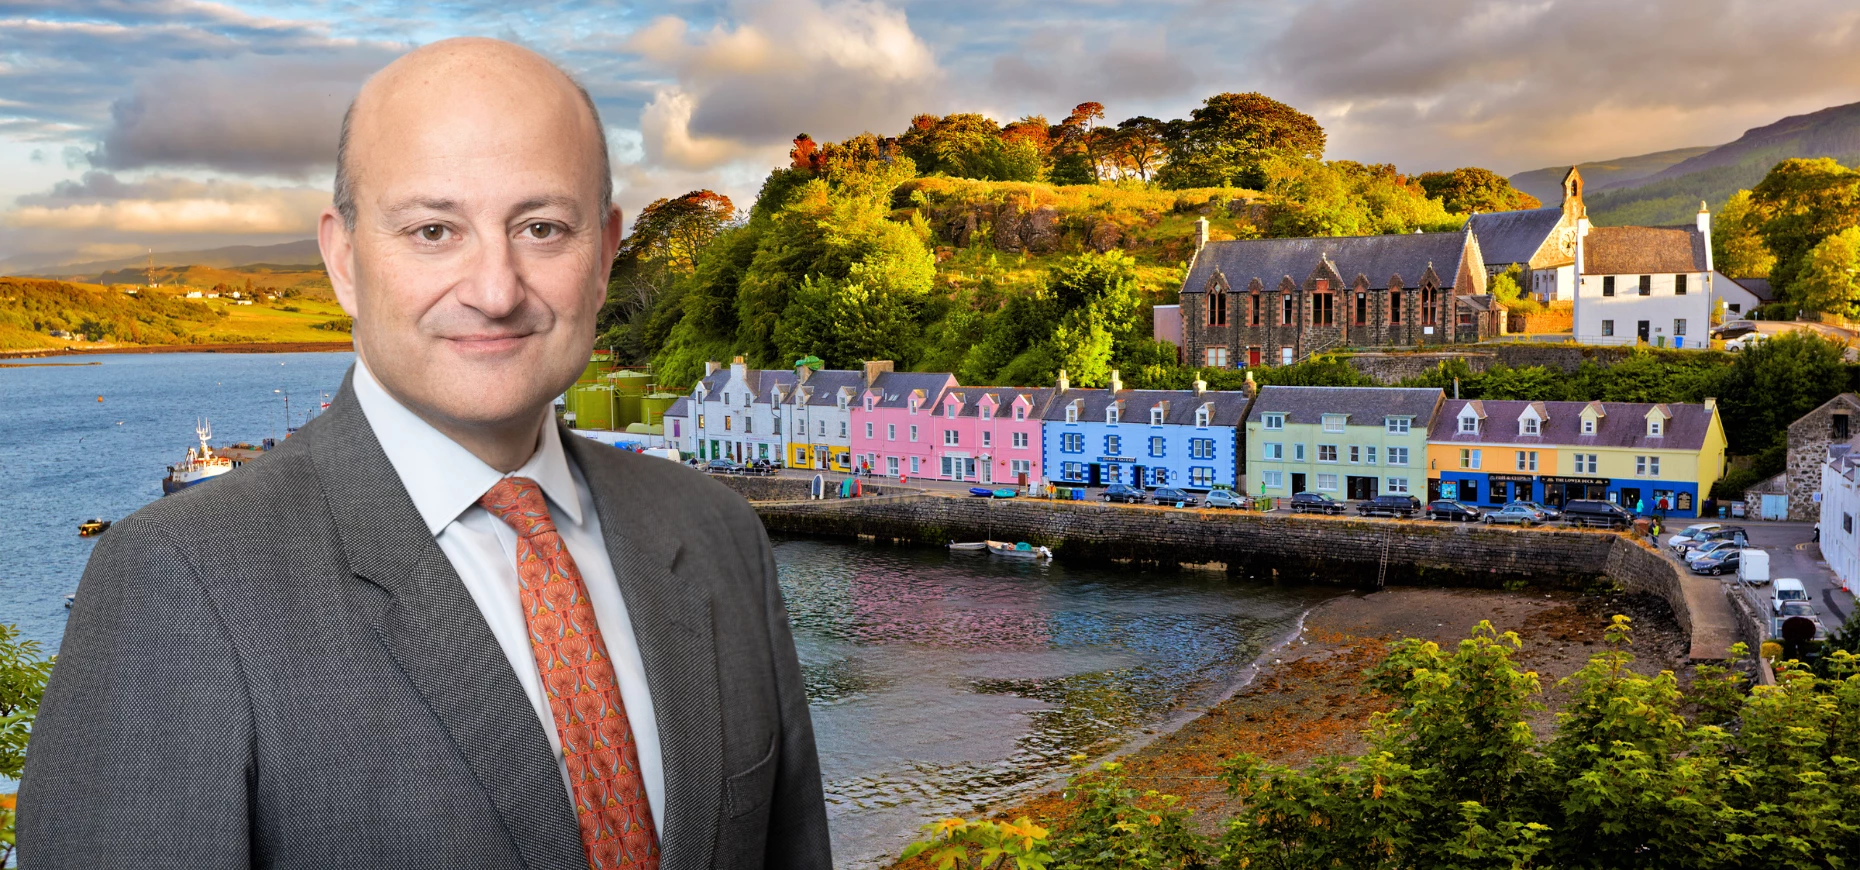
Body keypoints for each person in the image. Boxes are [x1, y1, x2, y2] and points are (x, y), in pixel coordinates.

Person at [19, 38, 830, 869]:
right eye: (434, 229)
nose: (494, 290)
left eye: (542, 227)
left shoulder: (719, 532)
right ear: (343, 258)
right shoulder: (174, 583)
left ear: (604, 254)